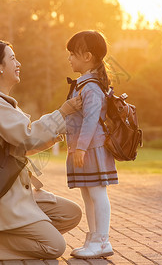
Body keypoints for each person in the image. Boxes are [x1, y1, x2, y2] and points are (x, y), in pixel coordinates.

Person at [0, 40, 83, 261]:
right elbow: (27, 136)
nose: (18, 63)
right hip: (4, 196)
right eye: (12, 58)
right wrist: (62, 113)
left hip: (18, 192)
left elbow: (22, 146)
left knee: (71, 214)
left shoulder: (4, 102)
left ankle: (5, 231)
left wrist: (56, 133)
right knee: (54, 247)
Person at [65, 31, 117, 259]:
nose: (69, 59)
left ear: (87, 56)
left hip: (92, 149)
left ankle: (102, 240)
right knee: (88, 194)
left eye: (72, 54)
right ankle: (94, 237)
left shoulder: (91, 87)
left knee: (97, 193)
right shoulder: (84, 85)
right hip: (85, 149)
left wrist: (81, 147)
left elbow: (91, 119)